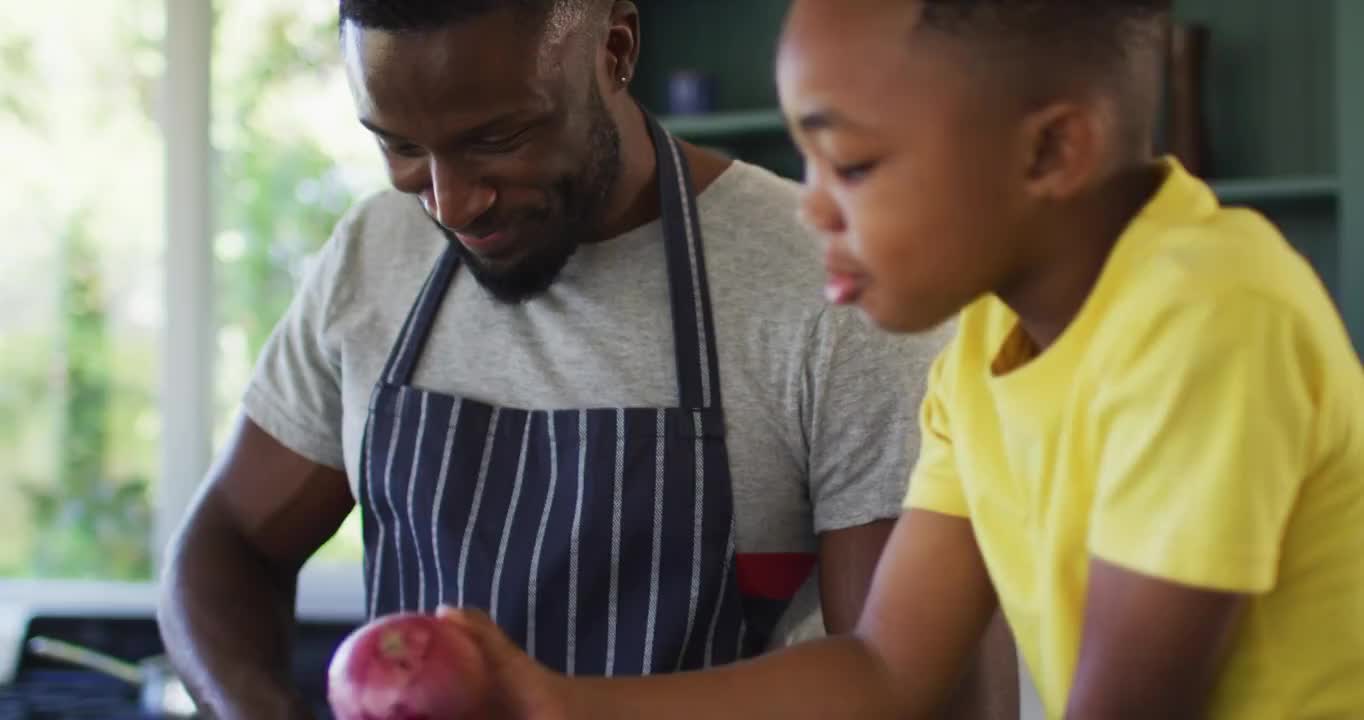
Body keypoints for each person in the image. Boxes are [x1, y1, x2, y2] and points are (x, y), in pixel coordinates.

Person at [437, 0, 1364, 717]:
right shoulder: (981, 357)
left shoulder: (1203, 315)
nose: (813, 211)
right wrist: (558, 700)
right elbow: (886, 669)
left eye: (856, 167)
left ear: (1052, 149)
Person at [156, 0, 1017, 717]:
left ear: (615, 48)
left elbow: (916, 686)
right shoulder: (372, 254)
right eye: (401, 148)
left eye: (498, 137)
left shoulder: (825, 289)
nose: (452, 202)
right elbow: (227, 540)